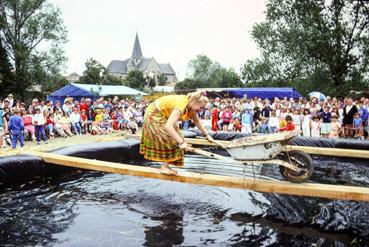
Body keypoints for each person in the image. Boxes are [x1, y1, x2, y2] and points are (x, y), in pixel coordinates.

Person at [140, 91, 213, 175]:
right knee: (172, 139)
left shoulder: (191, 105)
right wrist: (181, 143)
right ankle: (164, 168)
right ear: (194, 102)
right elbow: (168, 126)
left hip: (164, 115)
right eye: (201, 107)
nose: (201, 110)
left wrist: (207, 135)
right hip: (154, 113)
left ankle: (166, 166)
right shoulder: (181, 105)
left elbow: (197, 121)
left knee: (179, 137)